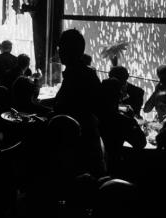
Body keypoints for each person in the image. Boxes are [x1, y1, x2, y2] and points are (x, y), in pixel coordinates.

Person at [54, 29, 104, 176]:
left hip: (79, 149)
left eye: (61, 48)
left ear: (69, 51)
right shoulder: (83, 73)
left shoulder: (78, 76)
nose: (59, 52)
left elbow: (69, 110)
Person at [98, 78, 146, 175]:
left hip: (92, 165)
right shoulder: (122, 121)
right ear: (119, 95)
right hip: (113, 167)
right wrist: (132, 119)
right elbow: (141, 143)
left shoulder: (92, 113)